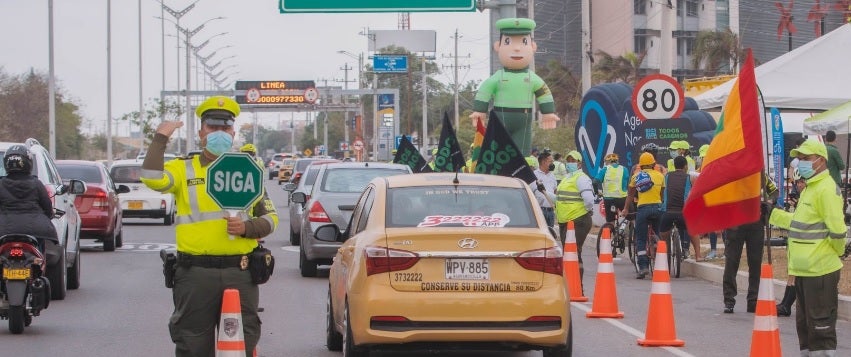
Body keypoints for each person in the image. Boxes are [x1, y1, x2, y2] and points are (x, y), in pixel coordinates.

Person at [141, 96, 279, 357]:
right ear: (201, 132)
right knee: (192, 345)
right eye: (212, 128)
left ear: (233, 133)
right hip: (195, 274)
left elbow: (271, 219)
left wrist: (246, 228)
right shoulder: (184, 169)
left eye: (225, 129)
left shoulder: (248, 169)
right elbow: (151, 178)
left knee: (242, 344)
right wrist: (160, 138)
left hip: (240, 271)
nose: (219, 134)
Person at [767, 139, 846, 355]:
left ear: (820, 161)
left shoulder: (826, 189)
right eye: (799, 159)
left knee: (820, 329)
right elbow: (799, 223)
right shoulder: (810, 188)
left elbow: (838, 231)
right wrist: (771, 213)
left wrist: (836, 252)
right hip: (803, 270)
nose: (800, 163)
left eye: (805, 159)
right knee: (805, 328)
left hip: (820, 270)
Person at [469, 17, 560, 155]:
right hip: (500, 117)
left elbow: (544, 93)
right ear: (498, 46)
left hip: (524, 121)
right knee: (499, 153)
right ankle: (501, 175)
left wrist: (548, 112)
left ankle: (519, 175)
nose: (517, 48)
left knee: (522, 154)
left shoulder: (532, 78)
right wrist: (479, 110)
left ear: (533, 47)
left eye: (524, 42)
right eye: (508, 41)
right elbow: (484, 91)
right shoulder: (498, 77)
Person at [0, 145, 58, 253]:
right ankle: (39, 261)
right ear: (29, 162)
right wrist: (50, 215)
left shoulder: (1, 184)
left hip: (3, 228)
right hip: (36, 229)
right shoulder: (37, 184)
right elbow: (47, 206)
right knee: (40, 246)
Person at [622, 152, 665, 279]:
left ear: (640, 165)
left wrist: (625, 209)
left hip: (643, 208)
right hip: (657, 208)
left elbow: (630, 195)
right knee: (658, 233)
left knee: (640, 238)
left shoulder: (636, 176)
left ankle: (643, 267)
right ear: (653, 164)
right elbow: (662, 195)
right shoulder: (660, 176)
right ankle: (659, 258)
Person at [555, 150, 595, 285]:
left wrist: (588, 211)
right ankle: (571, 285)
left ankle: (577, 285)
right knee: (569, 254)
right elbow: (559, 198)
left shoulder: (581, 178)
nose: (570, 163)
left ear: (579, 163)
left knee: (574, 252)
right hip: (565, 221)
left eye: (573, 161)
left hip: (578, 220)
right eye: (569, 160)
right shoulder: (567, 178)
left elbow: (589, 199)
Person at [776, 168, 805, 317]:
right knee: (791, 273)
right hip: (795, 242)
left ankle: (786, 305)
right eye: (797, 182)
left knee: (795, 274)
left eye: (802, 182)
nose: (799, 185)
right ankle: (784, 304)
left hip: (805, 244)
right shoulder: (802, 197)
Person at [659, 156, 698, 260]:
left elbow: (663, 192)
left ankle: (664, 255)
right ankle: (698, 255)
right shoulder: (689, 177)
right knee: (693, 231)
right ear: (685, 166)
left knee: (663, 234)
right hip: (683, 213)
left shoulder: (667, 176)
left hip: (668, 212)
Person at [593, 153, 628, 224]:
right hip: (622, 199)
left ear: (607, 162)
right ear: (617, 161)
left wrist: (597, 192)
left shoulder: (605, 169)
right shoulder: (624, 169)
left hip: (609, 200)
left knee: (610, 221)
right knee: (631, 217)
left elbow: (594, 182)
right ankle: (634, 232)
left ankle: (610, 233)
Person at [533, 151, 557, 227]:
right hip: (539, 211)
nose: (553, 164)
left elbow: (555, 190)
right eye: (551, 161)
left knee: (551, 235)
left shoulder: (552, 175)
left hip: (551, 211)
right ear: (543, 162)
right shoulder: (534, 175)